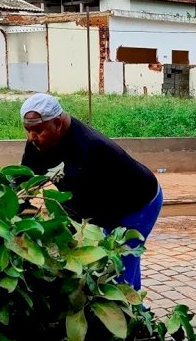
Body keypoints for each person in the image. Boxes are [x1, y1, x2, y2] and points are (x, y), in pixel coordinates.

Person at [20, 93, 162, 291]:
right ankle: (135, 307)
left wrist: (58, 241)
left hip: (138, 203)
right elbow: (24, 178)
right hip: (104, 203)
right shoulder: (38, 141)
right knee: (118, 264)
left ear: (58, 124)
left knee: (117, 269)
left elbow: (82, 208)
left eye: (37, 130)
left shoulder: (90, 148)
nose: (31, 137)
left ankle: (131, 314)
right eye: (27, 130)